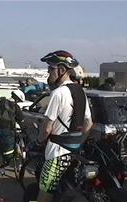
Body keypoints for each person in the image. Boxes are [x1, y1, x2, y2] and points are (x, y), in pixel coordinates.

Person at [35, 50, 93, 202]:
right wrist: (78, 142)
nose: (48, 72)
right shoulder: (80, 91)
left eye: (50, 69)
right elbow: (89, 124)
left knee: (45, 193)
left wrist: (39, 141)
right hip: (75, 153)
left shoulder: (58, 93)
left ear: (61, 70)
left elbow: (47, 128)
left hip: (56, 154)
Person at [0, 89, 25, 175]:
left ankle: (2, 167)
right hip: (10, 130)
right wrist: (24, 129)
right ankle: (19, 164)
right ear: (17, 99)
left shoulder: (2, 102)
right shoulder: (16, 107)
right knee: (14, 146)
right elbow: (21, 119)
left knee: (1, 148)